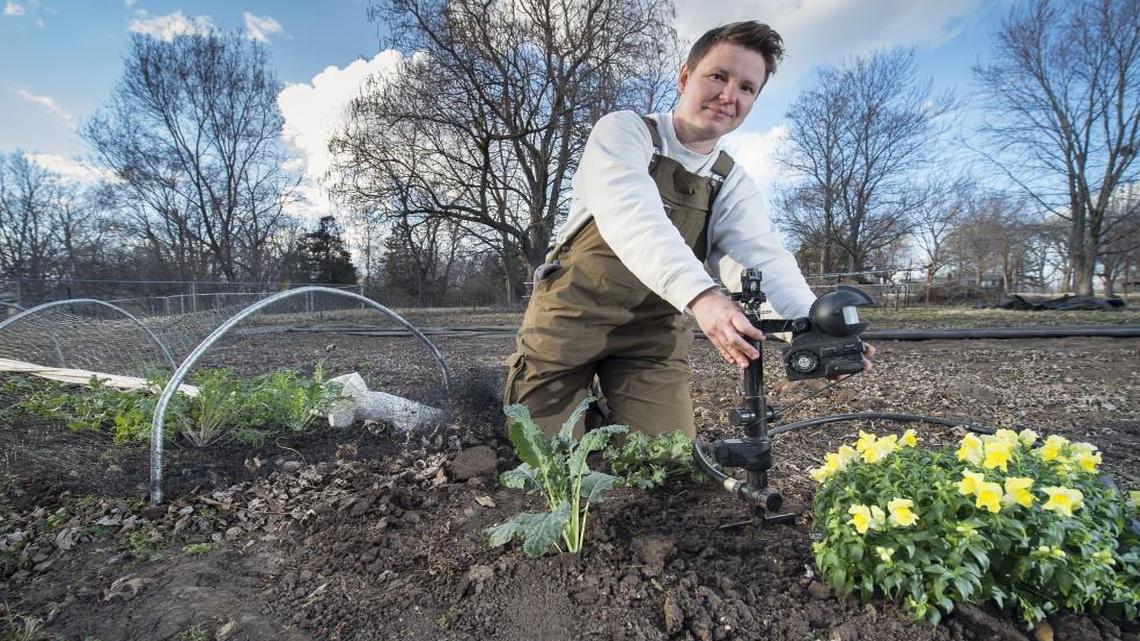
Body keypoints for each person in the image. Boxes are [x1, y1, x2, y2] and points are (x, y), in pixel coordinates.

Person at [504, 20, 872, 437]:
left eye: (747, 88)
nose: (729, 95)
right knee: (544, 459)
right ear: (684, 77)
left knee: (670, 461)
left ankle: (609, 413)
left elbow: (759, 255)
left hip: (650, 336)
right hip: (570, 321)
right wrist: (704, 297)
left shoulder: (728, 180)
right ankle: (580, 408)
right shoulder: (624, 132)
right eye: (718, 76)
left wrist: (813, 331)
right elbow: (633, 217)